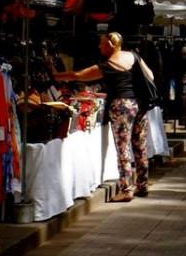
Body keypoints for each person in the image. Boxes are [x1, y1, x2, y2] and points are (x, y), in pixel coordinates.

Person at [51, 32, 155, 201]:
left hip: (121, 106)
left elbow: (78, 76)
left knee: (123, 149)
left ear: (111, 45)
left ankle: (126, 189)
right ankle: (142, 185)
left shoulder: (108, 65)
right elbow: (150, 75)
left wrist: (55, 75)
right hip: (139, 105)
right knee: (140, 146)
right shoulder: (134, 56)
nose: (99, 47)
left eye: (102, 44)